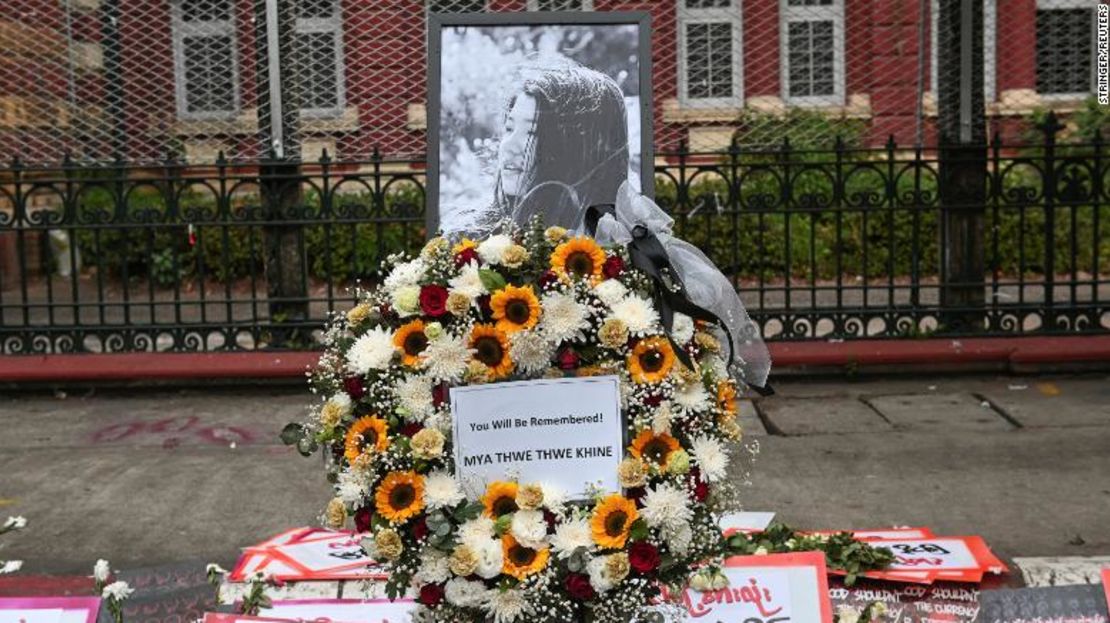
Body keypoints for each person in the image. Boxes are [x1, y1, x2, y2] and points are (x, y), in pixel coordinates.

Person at [471, 64, 631, 234]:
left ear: (577, 147)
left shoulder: (622, 244)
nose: (510, 146)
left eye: (533, 132)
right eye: (509, 128)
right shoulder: (472, 242)